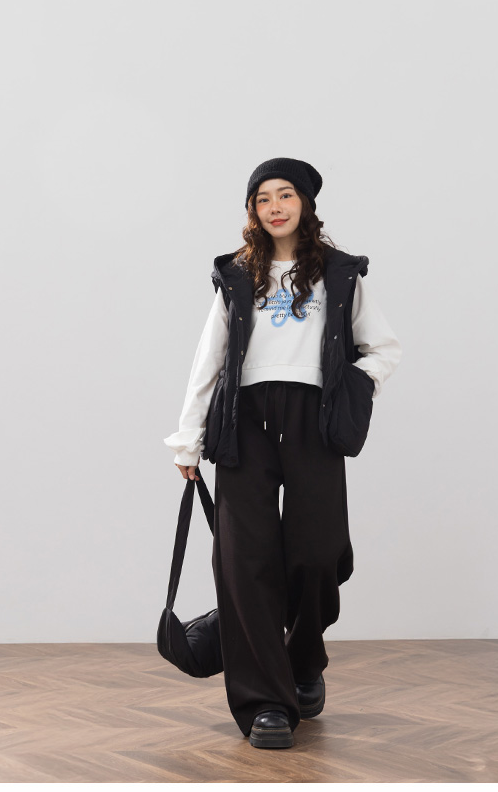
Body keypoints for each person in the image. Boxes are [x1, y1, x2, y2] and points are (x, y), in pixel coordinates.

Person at [163, 157, 401, 749]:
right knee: (245, 562)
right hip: (242, 421)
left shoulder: (340, 273)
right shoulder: (237, 274)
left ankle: (304, 660)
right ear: (253, 209)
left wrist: (350, 389)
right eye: (263, 197)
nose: (274, 206)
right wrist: (188, 436)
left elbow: (383, 348)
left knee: (317, 554)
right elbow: (208, 360)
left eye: (286, 194)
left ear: (306, 204)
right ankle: (265, 703)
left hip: (312, 419)